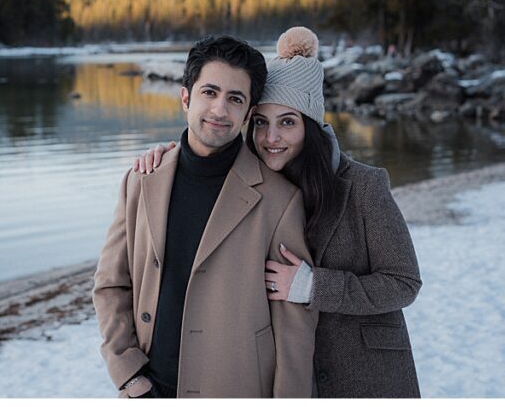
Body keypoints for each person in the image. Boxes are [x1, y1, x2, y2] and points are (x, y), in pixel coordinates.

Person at [134, 27, 422, 397]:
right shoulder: (248, 185)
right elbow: (206, 144)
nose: (271, 138)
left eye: (287, 122)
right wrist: (169, 159)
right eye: (261, 123)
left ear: (310, 126)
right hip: (278, 371)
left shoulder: (363, 187)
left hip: (360, 370)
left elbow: (404, 283)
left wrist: (314, 286)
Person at [94, 35, 318, 398]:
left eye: (235, 99)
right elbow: (110, 285)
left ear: (248, 113)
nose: (219, 110)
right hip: (147, 391)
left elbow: (294, 327)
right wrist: (127, 374)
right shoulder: (141, 179)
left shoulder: (279, 199)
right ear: (186, 97)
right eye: (209, 92)